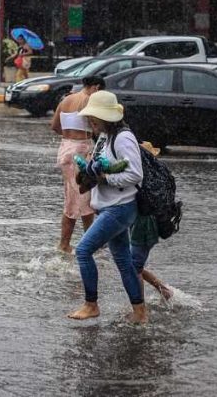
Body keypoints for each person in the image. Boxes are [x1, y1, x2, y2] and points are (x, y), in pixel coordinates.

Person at [68, 90, 147, 324]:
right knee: (124, 261)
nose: (91, 122)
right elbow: (97, 165)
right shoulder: (104, 136)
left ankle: (91, 305)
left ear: (107, 118)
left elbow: (135, 174)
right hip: (109, 206)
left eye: (94, 118)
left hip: (120, 207)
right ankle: (140, 312)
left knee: (83, 251)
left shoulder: (123, 138)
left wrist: (105, 179)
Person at [50, 76, 104, 253]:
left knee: (73, 198)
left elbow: (55, 126)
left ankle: (69, 244)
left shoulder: (66, 99)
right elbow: (97, 127)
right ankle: (83, 243)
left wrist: (69, 132)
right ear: (95, 87)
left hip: (66, 148)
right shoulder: (88, 100)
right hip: (80, 152)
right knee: (83, 199)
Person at [130, 144, 173, 303]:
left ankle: (139, 306)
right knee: (134, 264)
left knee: (134, 267)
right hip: (144, 225)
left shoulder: (143, 179)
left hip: (144, 226)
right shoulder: (153, 178)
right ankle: (163, 289)